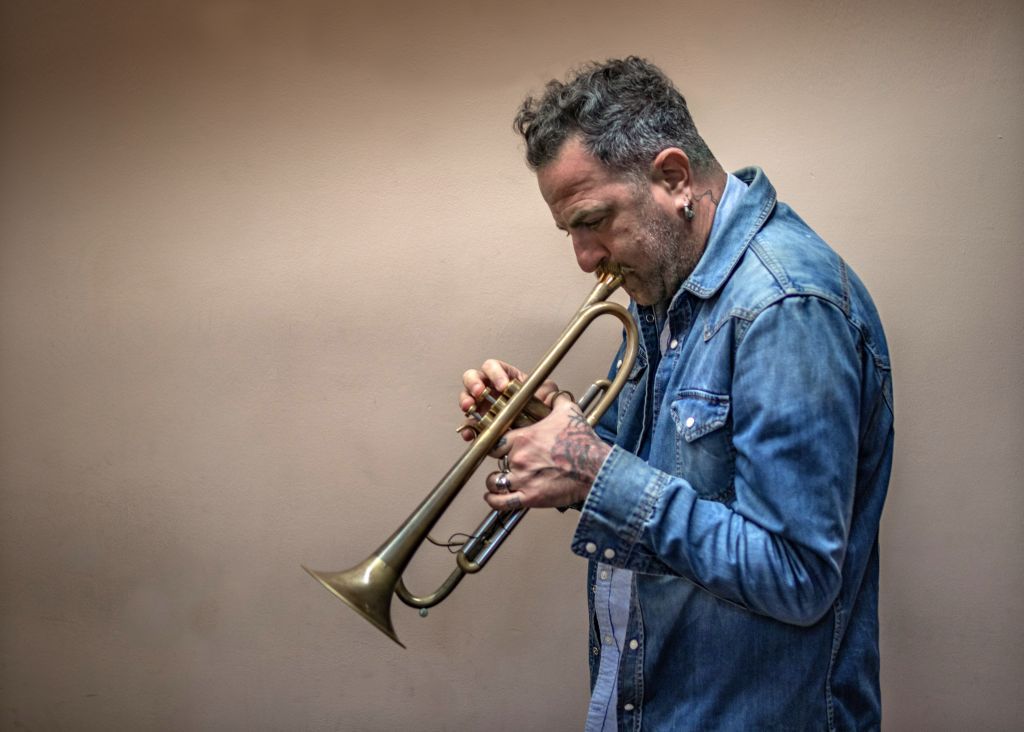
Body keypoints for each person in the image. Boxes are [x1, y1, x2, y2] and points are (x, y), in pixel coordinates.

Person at [459, 57, 894, 730]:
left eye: (594, 220)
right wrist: (555, 428)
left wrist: (595, 472)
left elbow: (799, 574)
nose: (584, 257)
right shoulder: (666, 284)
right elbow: (669, 475)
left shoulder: (785, 307)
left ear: (673, 177)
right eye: (571, 231)